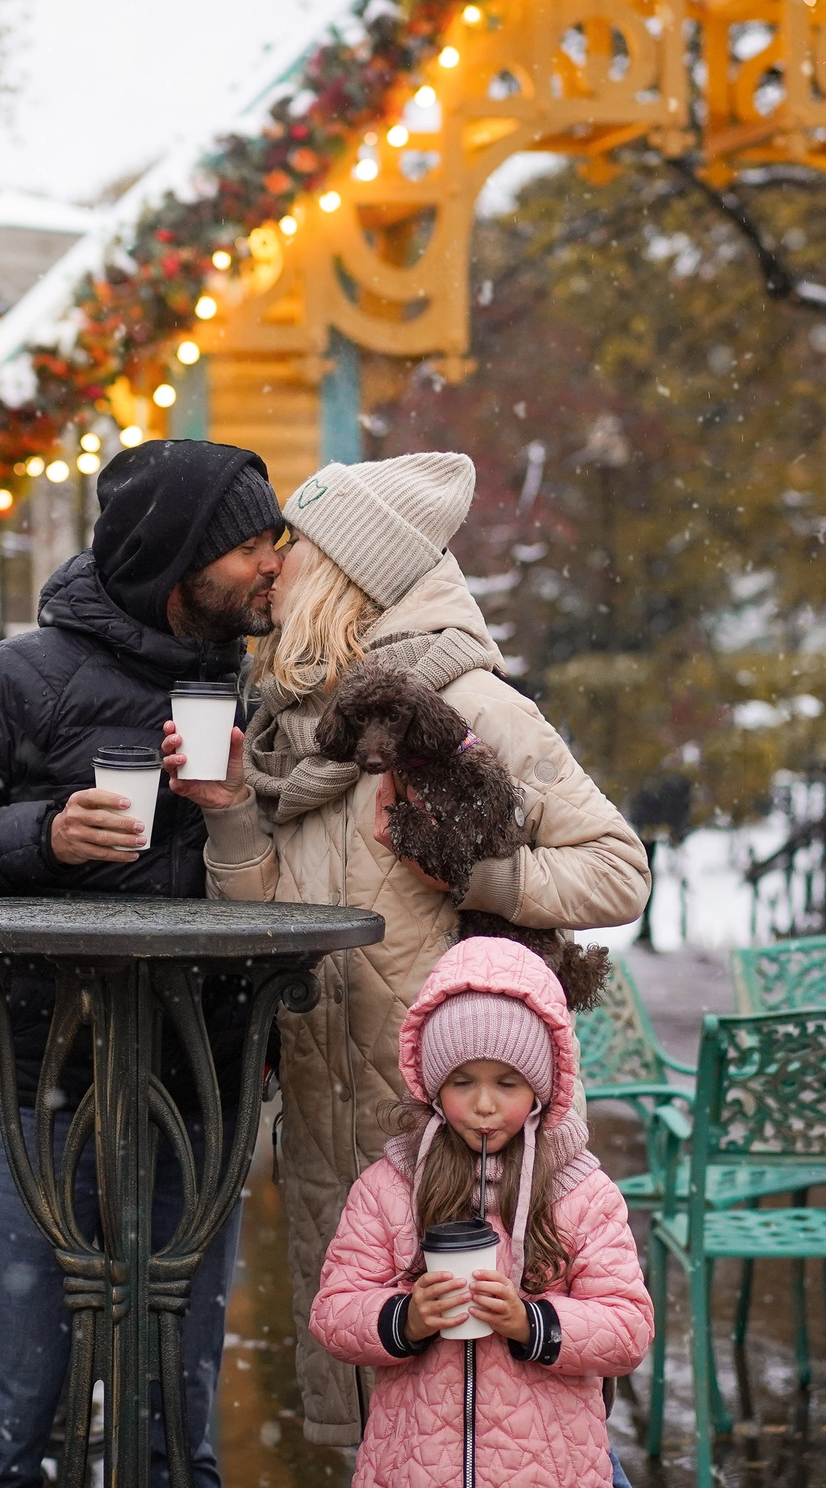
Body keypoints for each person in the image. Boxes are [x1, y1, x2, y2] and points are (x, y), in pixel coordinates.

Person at [165, 451, 650, 1445]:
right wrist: (228, 816)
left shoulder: (466, 708)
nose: (274, 568)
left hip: (464, 1131)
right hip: (327, 1124)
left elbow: (616, 869)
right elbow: (263, 928)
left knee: (492, 1423)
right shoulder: (296, 732)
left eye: (295, 546)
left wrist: (464, 873)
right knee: (380, 1426)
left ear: (349, 573)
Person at [0, 437, 285, 1488]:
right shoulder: (20, 679)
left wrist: (233, 812)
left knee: (168, 1444)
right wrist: (43, 836)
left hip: (194, 1106)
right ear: (173, 561)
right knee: (3, 1432)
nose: (271, 562)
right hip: (32, 1101)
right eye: (247, 545)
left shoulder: (260, 697)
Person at [308, 934, 652, 1486]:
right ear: (433, 1084)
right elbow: (334, 1311)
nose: (485, 1104)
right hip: (415, 1464)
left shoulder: (578, 1191)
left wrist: (531, 1323)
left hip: (549, 1465)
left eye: (508, 1083)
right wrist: (405, 1318)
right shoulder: (390, 1188)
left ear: (541, 1088)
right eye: (462, 1082)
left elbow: (629, 1326)